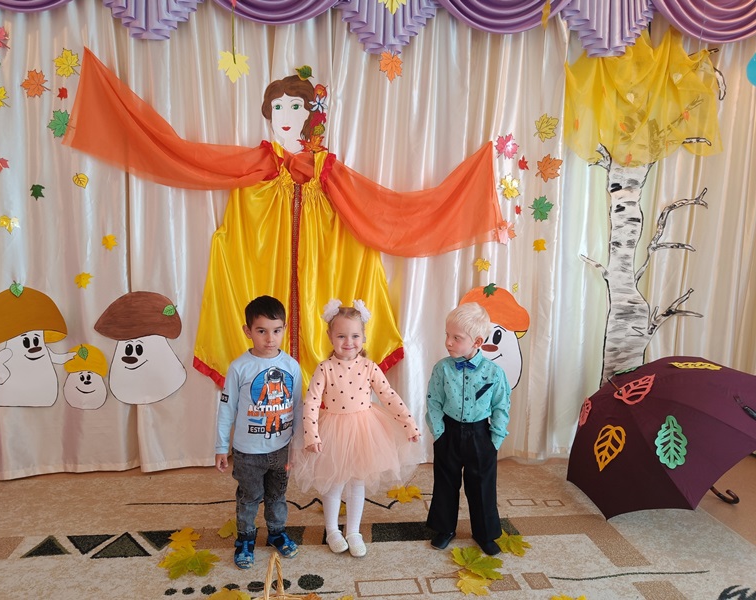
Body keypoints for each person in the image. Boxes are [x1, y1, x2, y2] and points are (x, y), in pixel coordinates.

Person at [64, 48, 508, 387]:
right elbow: (185, 157)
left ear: (311, 116)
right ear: (268, 115)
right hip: (256, 270)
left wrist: (463, 196)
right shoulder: (256, 165)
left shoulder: (330, 173)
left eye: (296, 107)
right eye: (278, 108)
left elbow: (390, 210)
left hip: (328, 275)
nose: (286, 117)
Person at [292, 299, 421, 557]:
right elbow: (312, 402)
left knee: (357, 482)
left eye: (354, 336)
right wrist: (311, 434)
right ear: (330, 336)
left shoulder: (369, 367)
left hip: (364, 431)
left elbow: (388, 395)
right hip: (333, 431)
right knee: (334, 482)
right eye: (341, 336)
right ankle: (332, 530)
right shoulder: (325, 368)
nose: (348, 341)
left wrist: (408, 423)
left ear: (363, 337)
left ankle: (353, 531)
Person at [214, 296, 303, 570]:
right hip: (248, 453)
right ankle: (245, 539)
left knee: (277, 496)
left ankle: (276, 533)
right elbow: (226, 409)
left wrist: (297, 445)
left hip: (281, 449)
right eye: (261, 331)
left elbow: (298, 407)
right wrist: (221, 447)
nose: (270, 338)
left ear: (285, 329)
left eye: (276, 330)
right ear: (248, 331)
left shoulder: (291, 366)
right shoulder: (239, 367)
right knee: (249, 498)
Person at [425, 302, 511, 555]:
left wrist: (495, 440)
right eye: (447, 335)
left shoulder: (494, 373)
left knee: (482, 485)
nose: (448, 342)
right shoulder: (442, 369)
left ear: (477, 341)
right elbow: (433, 401)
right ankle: (444, 528)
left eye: (456, 338)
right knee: (445, 483)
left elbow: (501, 406)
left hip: (480, 435)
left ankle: (484, 533)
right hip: (449, 433)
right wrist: (439, 433)